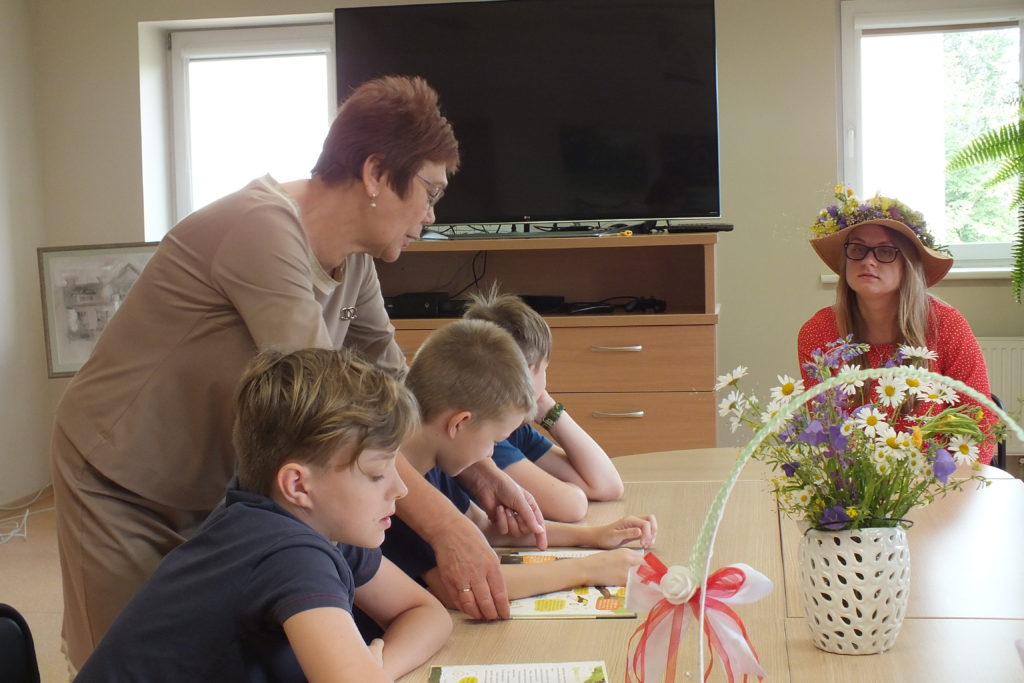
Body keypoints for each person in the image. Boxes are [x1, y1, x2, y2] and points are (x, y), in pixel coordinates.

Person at [51, 75, 541, 669]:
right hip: (122, 475)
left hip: (219, 483)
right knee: (127, 654)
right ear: (376, 173)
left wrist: (478, 467)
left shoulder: (354, 260)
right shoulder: (261, 228)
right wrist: (447, 529)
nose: (431, 215)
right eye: (429, 191)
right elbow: (331, 410)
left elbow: (397, 391)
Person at [75, 348, 450, 682]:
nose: (400, 489)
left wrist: (380, 669)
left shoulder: (314, 523)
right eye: (377, 473)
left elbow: (425, 612)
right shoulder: (287, 551)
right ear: (298, 485)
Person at [364, 319, 654, 631]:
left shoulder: (433, 460)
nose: (490, 455)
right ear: (459, 423)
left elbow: (481, 528)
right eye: (494, 440)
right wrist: (588, 569)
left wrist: (593, 537)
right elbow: (465, 585)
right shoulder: (396, 490)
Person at [798, 186, 995, 463]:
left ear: (908, 265)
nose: (868, 260)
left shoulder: (945, 325)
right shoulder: (818, 332)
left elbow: (980, 424)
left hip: (935, 478)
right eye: (858, 249)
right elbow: (825, 430)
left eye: (885, 251)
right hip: (857, 483)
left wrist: (949, 483)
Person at [462, 287, 624, 521]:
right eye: (545, 369)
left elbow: (608, 486)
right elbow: (570, 505)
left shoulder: (515, 431)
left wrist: (547, 407)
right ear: (527, 375)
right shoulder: (486, 438)